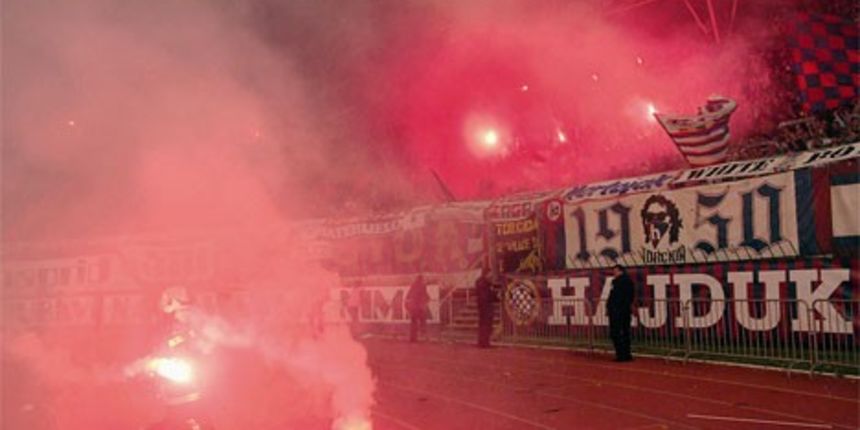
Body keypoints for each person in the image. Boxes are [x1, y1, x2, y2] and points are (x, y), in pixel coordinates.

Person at [607, 265, 635, 362]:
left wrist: (611, 307)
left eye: (615, 271)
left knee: (616, 332)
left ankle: (620, 354)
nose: (613, 273)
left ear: (620, 271)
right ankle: (627, 354)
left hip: (617, 311)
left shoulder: (617, 282)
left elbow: (615, 297)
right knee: (625, 332)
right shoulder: (629, 282)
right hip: (625, 310)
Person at [475, 268, 495, 348]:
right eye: (490, 274)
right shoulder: (485, 283)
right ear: (486, 274)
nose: (491, 275)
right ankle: (485, 342)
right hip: (486, 306)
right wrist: (494, 296)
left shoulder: (480, 282)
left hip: (482, 306)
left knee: (483, 325)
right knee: (486, 325)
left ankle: (482, 342)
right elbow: (487, 296)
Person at [406, 274, 430, 342]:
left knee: (413, 322)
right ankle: (423, 334)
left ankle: (413, 338)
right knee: (423, 319)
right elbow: (424, 294)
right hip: (418, 307)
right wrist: (428, 299)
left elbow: (408, 295)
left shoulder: (413, 285)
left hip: (413, 307)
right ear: (421, 279)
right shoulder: (423, 286)